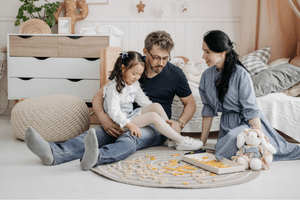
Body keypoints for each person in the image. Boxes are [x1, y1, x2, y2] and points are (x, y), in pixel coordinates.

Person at [25, 30, 197, 170]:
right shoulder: (132, 65)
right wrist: (104, 118)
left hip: (156, 125)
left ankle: (98, 156)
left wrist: (179, 124)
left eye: (165, 58)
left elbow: (190, 103)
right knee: (97, 134)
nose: (161, 62)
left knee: (131, 136)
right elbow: (100, 95)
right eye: (157, 57)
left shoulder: (175, 74)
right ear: (145, 52)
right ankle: (54, 153)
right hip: (125, 117)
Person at [199, 30, 300, 161]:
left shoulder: (240, 75)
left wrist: (261, 135)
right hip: (227, 125)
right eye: (203, 51)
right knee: (226, 145)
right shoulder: (207, 76)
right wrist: (202, 143)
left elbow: (251, 110)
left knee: (235, 142)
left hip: (248, 124)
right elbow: (208, 109)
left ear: (222, 52)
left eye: (208, 52)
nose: (203, 56)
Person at [101, 50, 203, 151]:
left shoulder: (133, 84)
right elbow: (114, 112)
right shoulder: (113, 88)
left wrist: (154, 111)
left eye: (139, 75)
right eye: (134, 74)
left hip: (129, 115)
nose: (137, 77)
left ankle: (170, 134)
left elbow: (145, 102)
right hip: (119, 121)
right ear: (123, 69)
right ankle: (181, 141)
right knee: (152, 116)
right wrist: (130, 125)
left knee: (156, 106)